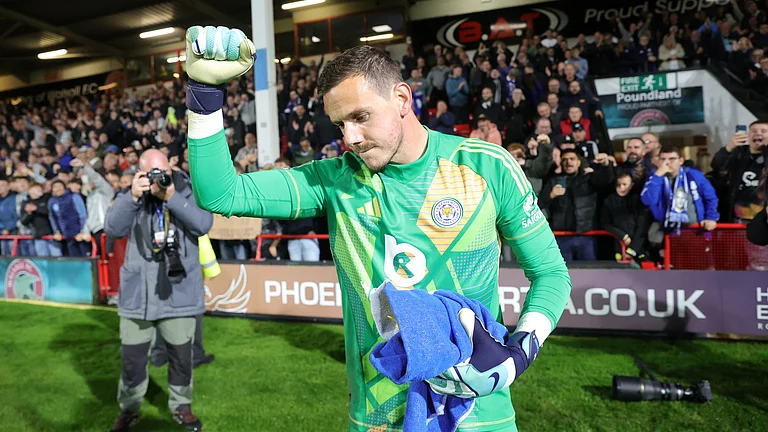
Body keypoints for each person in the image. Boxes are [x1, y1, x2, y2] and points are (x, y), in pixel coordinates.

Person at [183, 27, 570, 432]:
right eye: (339, 125)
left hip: (477, 411)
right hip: (377, 414)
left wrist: (523, 347)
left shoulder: (487, 166)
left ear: (401, 99)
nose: (349, 138)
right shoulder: (334, 181)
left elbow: (550, 273)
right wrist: (204, 93)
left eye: (360, 117)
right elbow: (219, 194)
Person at [105, 149, 212, 432]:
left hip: (178, 292)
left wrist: (171, 198)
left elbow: (203, 224)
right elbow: (113, 228)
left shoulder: (187, 189)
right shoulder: (131, 196)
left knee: (181, 357)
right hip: (137, 296)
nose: (157, 178)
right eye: (150, 173)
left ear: (170, 166)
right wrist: (133, 197)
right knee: (132, 359)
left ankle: (182, 406)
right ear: (139, 172)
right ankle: (129, 409)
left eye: (161, 171)